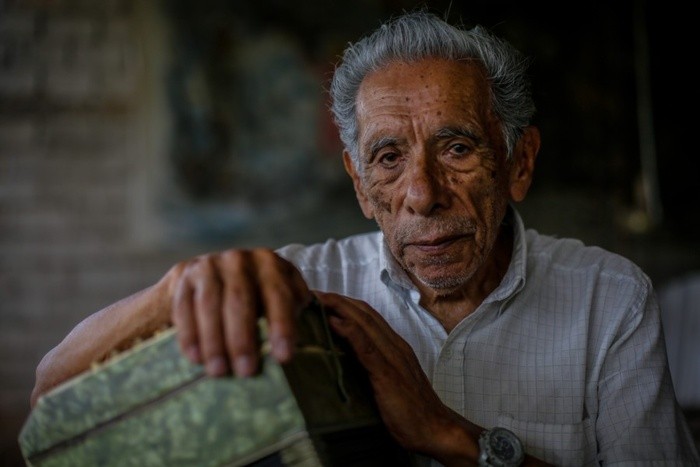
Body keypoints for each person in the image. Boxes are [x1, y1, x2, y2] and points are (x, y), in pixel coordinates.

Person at [30, 11, 699, 466]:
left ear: (518, 163)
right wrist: (174, 291)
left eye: (457, 147)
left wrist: (452, 436)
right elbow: (49, 391)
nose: (421, 193)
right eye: (387, 158)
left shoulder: (609, 299)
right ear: (358, 183)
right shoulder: (294, 290)